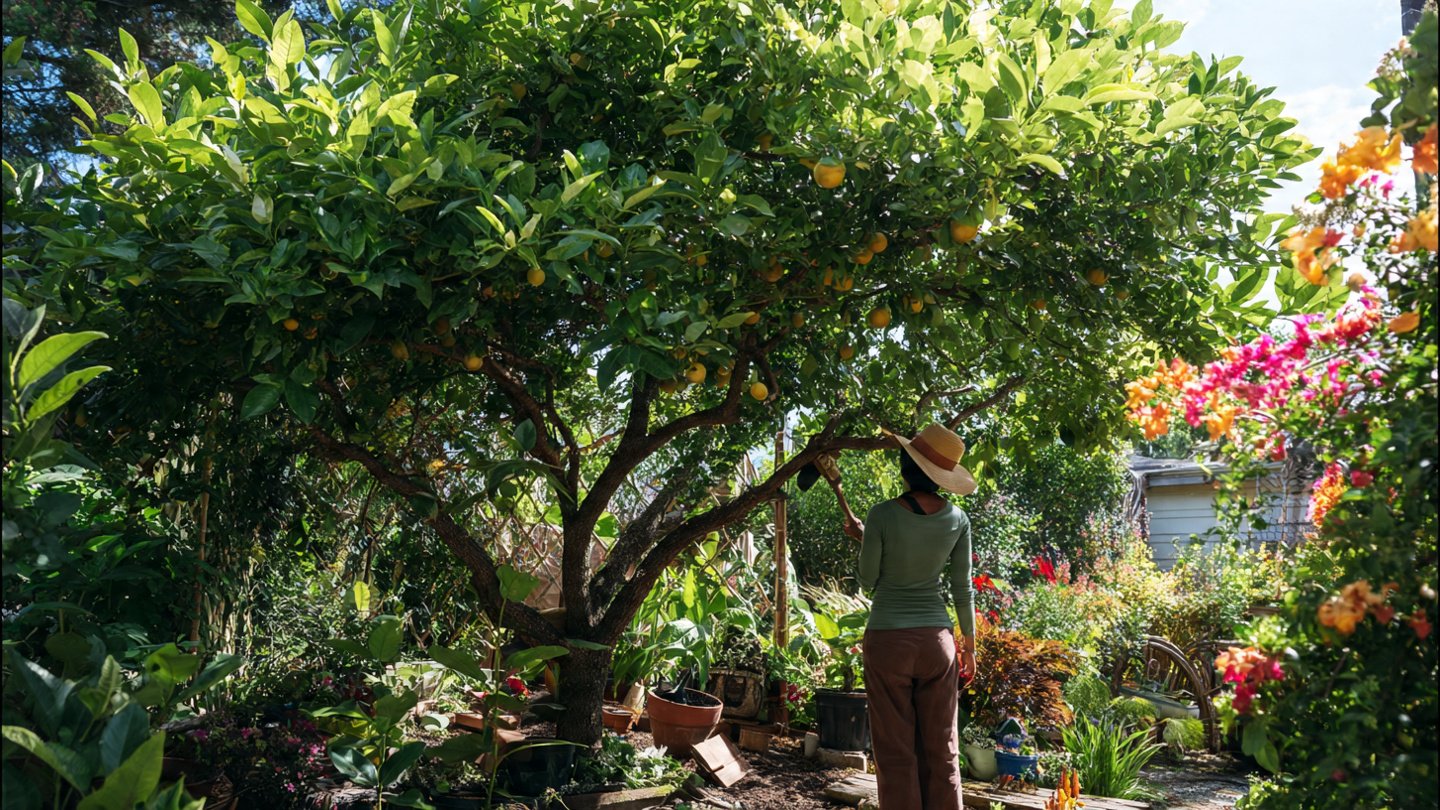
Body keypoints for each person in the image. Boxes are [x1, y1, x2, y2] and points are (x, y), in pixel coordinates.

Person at [836, 423, 976, 810]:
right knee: (942, 749)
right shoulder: (957, 520)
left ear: (905, 466)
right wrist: (970, 648)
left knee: (896, 754)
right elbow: (963, 588)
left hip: (888, 643)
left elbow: (868, 580)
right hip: (938, 644)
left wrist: (864, 538)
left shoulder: (881, 515)